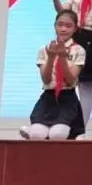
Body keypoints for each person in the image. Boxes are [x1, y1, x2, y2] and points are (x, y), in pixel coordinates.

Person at [22, 10, 86, 140]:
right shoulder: (45, 49)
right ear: (54, 26)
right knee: (37, 135)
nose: (63, 29)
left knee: (57, 134)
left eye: (68, 26)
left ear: (75, 28)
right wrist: (51, 58)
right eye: (60, 25)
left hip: (67, 98)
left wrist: (62, 57)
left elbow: (70, 80)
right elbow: (46, 80)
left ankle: (71, 136)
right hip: (48, 97)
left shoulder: (79, 50)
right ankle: (32, 133)